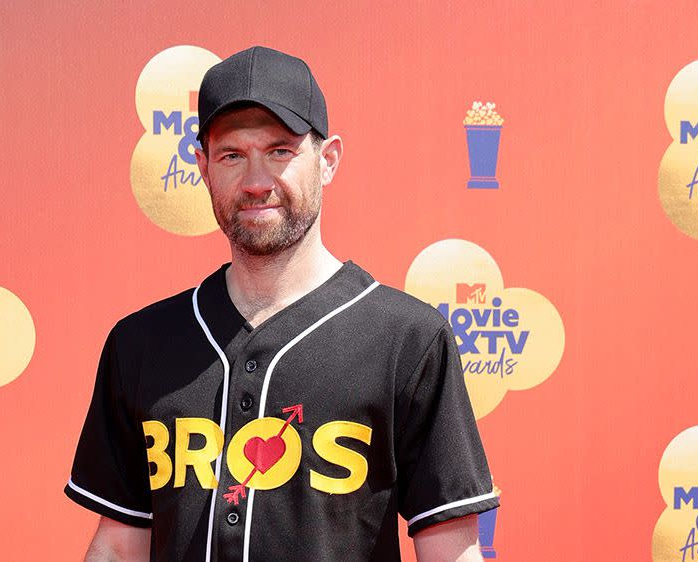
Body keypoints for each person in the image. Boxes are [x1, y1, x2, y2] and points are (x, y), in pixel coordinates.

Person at [65, 45, 498, 562]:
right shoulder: (141, 344)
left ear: (328, 159)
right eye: (231, 155)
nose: (255, 182)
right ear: (202, 166)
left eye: (280, 151)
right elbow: (118, 543)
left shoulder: (407, 339)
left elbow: (451, 550)